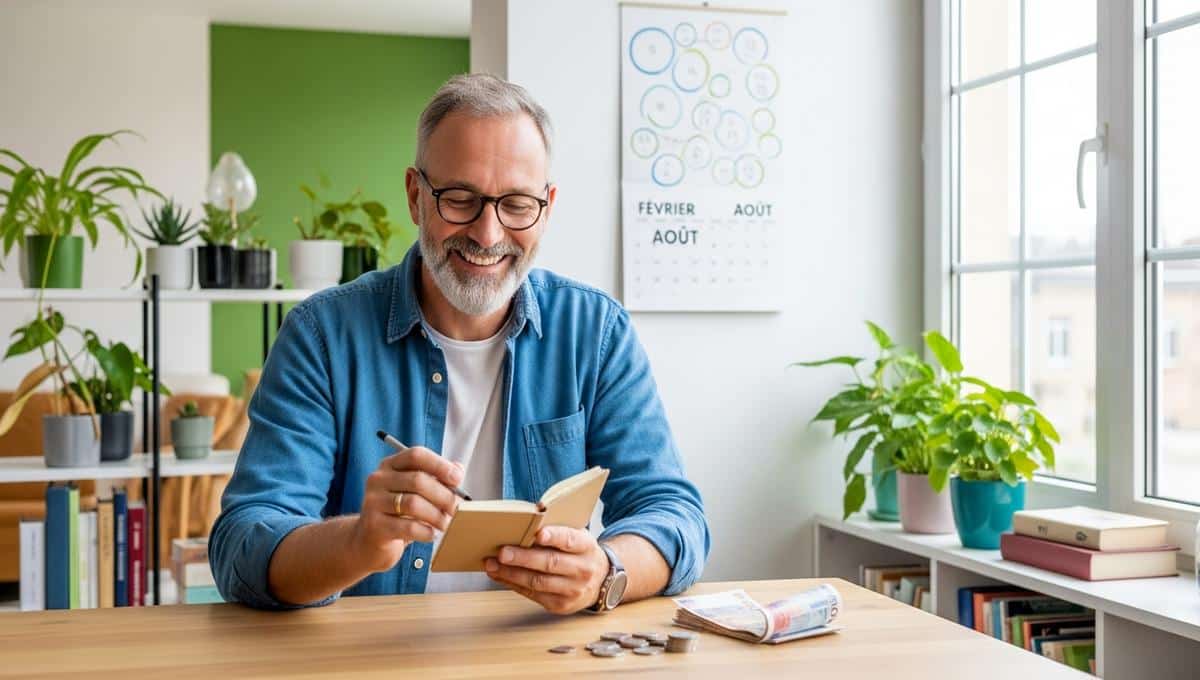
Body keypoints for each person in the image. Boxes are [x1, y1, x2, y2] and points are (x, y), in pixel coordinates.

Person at [209, 73, 710, 614]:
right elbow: (242, 546)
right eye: (460, 199)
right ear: (415, 196)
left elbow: (673, 514)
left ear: (548, 204)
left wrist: (604, 572)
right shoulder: (321, 336)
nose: (489, 234)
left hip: (539, 657)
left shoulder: (595, 332)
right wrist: (359, 543)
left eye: (517, 204)